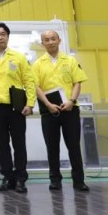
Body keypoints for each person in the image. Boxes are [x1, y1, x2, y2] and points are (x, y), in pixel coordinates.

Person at [0, 22, 35, 193]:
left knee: (19, 143)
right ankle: (7, 177)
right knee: (2, 144)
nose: (0, 37)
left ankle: (21, 178)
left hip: (16, 107)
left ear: (8, 37)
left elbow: (29, 81)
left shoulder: (19, 57)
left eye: (3, 34)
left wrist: (30, 103)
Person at [33, 30, 89, 192]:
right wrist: (48, 104)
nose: (50, 42)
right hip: (49, 111)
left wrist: (72, 101)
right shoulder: (37, 64)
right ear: (42, 43)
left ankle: (79, 180)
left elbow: (77, 82)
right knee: (52, 147)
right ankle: (55, 180)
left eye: (53, 39)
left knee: (74, 146)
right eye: (47, 40)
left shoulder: (70, 60)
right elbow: (36, 87)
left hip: (70, 109)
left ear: (59, 40)